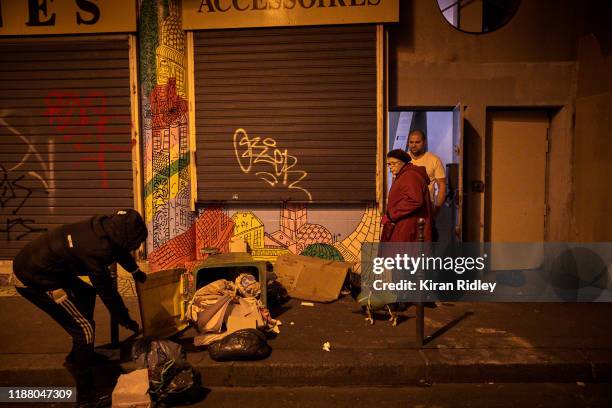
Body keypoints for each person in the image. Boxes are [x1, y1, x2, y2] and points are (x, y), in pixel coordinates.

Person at [13, 209, 149, 408]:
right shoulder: (96, 250)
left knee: (86, 293)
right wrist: (125, 319)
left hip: (47, 266)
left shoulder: (105, 228)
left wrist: (135, 271)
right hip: (34, 279)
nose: (135, 247)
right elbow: (107, 292)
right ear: (127, 237)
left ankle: (82, 353)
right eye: (135, 243)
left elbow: (118, 250)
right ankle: (86, 397)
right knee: (84, 329)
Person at [382, 149, 433, 242]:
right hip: (405, 225)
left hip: (408, 226)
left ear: (403, 163)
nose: (390, 167)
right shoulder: (404, 175)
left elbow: (414, 200)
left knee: (402, 254)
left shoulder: (410, 175)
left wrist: (391, 215)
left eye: (394, 163)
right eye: (389, 164)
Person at [407, 129, 446, 219]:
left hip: (426, 208)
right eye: (411, 142)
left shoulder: (434, 160)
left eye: (417, 142)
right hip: (406, 209)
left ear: (424, 142)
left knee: (426, 233)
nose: (413, 145)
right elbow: (395, 185)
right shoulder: (403, 160)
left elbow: (442, 187)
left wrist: (436, 209)